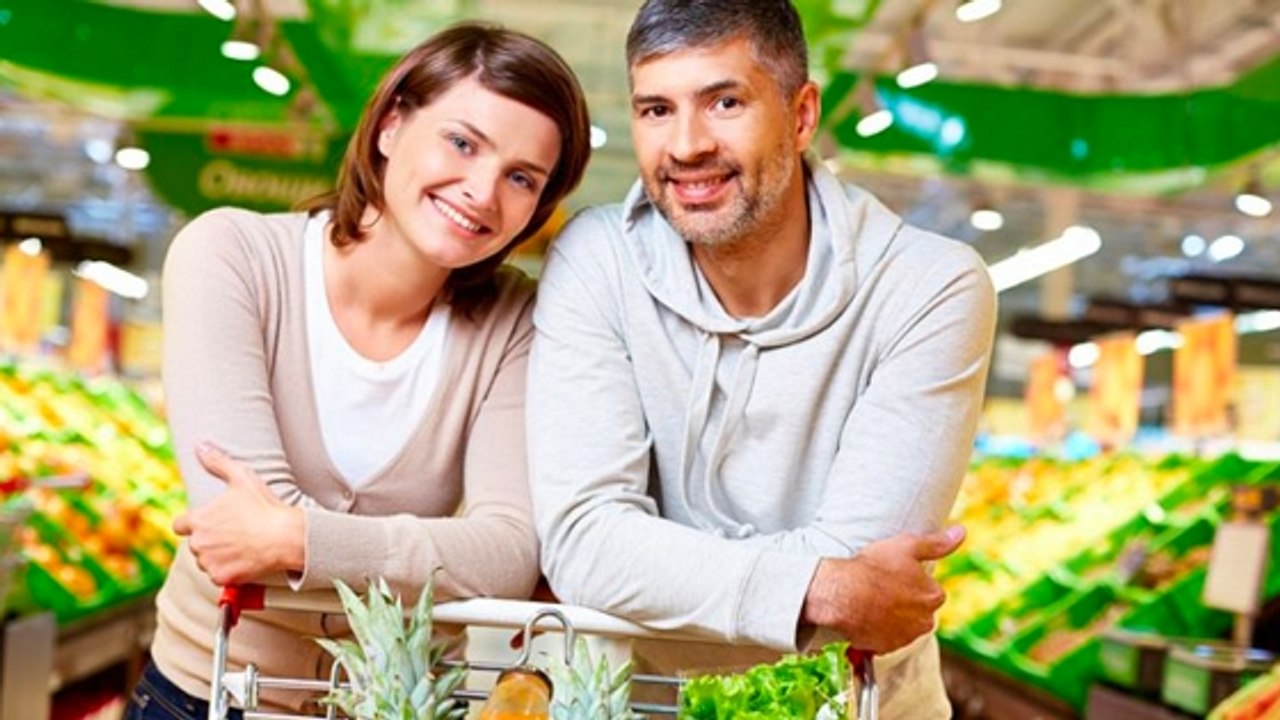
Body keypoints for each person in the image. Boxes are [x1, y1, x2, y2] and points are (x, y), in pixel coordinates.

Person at [527, 1, 995, 716]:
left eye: (724, 101)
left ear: (802, 115)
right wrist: (822, 587)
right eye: (656, 109)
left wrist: (663, 575)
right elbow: (585, 542)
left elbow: (861, 584)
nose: (685, 145)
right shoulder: (598, 260)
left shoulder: (929, 286)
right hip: (642, 704)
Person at [125, 22, 591, 719]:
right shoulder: (232, 258)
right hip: (205, 696)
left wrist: (298, 538)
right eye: (462, 143)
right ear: (391, 125)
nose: (482, 192)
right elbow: (239, 539)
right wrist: (426, 564)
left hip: (386, 706)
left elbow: (507, 554)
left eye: (521, 178)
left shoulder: (514, 322)